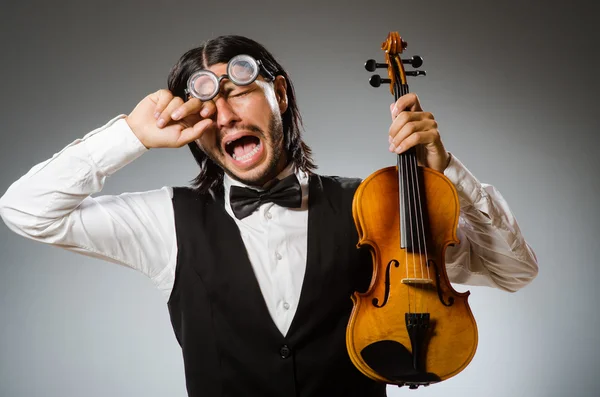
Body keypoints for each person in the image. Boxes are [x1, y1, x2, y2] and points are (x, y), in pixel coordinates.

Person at [0, 35, 538, 397]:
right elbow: (25, 210)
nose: (226, 115)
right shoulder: (167, 221)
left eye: (239, 93)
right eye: (209, 108)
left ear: (279, 93)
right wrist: (131, 136)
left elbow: (513, 271)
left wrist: (450, 174)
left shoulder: (372, 204)